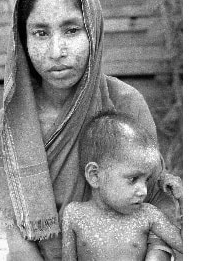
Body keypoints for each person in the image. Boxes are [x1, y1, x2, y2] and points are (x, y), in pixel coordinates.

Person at [0, 0, 180, 261]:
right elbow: (18, 239)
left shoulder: (126, 104)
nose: (56, 51)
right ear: (23, 40)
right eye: (40, 33)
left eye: (71, 30)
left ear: (93, 31)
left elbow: (157, 202)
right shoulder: (9, 127)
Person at [62, 111, 182, 261]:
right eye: (133, 179)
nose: (143, 191)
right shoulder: (75, 214)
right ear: (95, 175)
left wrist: (182, 200)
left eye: (147, 180)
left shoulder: (147, 215)